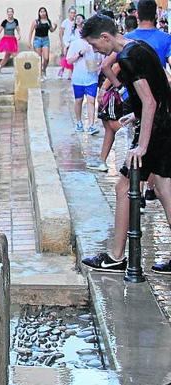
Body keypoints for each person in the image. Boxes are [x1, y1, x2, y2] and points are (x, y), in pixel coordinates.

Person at [80, 14, 171, 275]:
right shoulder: (139, 46)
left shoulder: (127, 58)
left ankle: (117, 256)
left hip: (155, 130)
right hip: (166, 124)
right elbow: (161, 87)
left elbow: (150, 101)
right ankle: (118, 255)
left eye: (96, 46)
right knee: (164, 187)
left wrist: (142, 146)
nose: (96, 52)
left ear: (106, 37)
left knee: (123, 188)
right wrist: (136, 114)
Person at [67, 30, 102, 134]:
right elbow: (69, 61)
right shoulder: (75, 44)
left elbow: (101, 58)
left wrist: (98, 65)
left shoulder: (96, 43)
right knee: (79, 101)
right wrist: (79, 53)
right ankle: (78, 122)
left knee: (91, 101)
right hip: (78, 77)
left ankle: (91, 125)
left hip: (92, 77)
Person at [29, 7, 57, 80]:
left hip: (45, 40)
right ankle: (40, 74)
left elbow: (51, 30)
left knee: (46, 58)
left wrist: (55, 27)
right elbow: (31, 32)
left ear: (46, 13)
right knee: (39, 58)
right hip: (37, 39)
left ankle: (43, 69)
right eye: (41, 12)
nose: (43, 13)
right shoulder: (36, 22)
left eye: (44, 11)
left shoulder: (48, 21)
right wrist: (29, 42)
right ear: (39, 13)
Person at [59, 7, 77, 79]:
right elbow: (61, 33)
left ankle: (71, 73)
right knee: (66, 56)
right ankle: (62, 69)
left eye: (74, 13)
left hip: (73, 42)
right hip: (66, 42)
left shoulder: (75, 22)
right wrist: (62, 43)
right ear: (69, 13)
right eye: (71, 12)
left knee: (72, 57)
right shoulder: (65, 22)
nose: (72, 14)